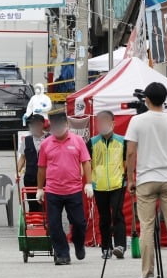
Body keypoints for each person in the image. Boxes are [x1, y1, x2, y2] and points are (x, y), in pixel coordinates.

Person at [125, 82, 167, 278]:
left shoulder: (137, 121)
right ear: (165, 99)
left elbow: (131, 152)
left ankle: (147, 275)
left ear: (147, 100)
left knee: (147, 227)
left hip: (146, 179)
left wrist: (131, 179)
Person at [37, 112, 93, 265]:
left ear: (67, 125)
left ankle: (79, 243)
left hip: (73, 189)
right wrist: (40, 188)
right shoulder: (46, 144)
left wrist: (89, 183)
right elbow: (41, 167)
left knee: (79, 223)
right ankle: (62, 254)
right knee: (54, 224)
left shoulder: (78, 141)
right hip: (53, 190)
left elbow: (86, 162)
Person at [87, 111, 127, 259]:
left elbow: (126, 162)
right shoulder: (92, 142)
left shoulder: (122, 141)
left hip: (118, 183)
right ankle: (106, 247)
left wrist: (126, 178)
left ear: (113, 123)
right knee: (104, 218)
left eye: (106, 121)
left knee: (117, 214)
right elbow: (86, 163)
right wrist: (89, 183)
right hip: (99, 185)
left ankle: (120, 246)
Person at [16, 114, 48, 212]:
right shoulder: (27, 140)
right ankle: (33, 223)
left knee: (45, 202)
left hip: (47, 177)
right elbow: (22, 158)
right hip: (30, 176)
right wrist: (17, 172)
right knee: (32, 202)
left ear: (42, 124)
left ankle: (46, 223)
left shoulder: (50, 138)